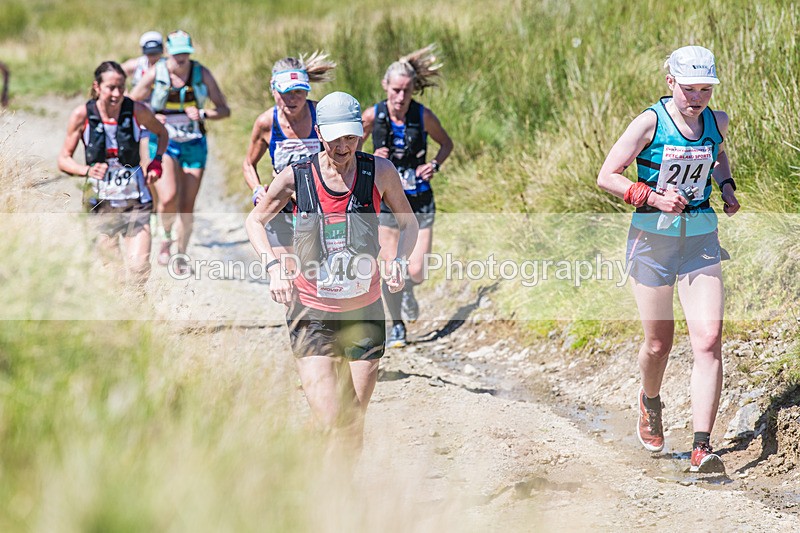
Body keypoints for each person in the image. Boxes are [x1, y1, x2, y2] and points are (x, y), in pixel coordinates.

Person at [245, 91, 419, 456]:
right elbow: (255, 221)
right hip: (312, 312)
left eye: (351, 137)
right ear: (320, 132)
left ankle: (340, 488)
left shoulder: (379, 172)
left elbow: (409, 223)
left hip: (364, 310)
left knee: (353, 420)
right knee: (333, 417)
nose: (343, 147)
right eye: (335, 138)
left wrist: (400, 260)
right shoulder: (296, 177)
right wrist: (274, 269)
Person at [597, 46, 740, 473]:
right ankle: (650, 400)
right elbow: (607, 176)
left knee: (709, 340)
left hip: (700, 239)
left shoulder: (717, 121)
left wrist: (726, 186)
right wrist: (653, 197)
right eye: (689, 89)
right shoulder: (650, 122)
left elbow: (716, 153)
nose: (697, 98)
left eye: (705, 90)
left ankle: (701, 447)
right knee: (659, 344)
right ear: (670, 82)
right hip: (652, 242)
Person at [361, 45, 453, 348]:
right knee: (392, 267)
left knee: (416, 270)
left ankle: (409, 291)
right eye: (396, 90)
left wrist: (434, 165)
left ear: (414, 90)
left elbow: (446, 143)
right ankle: (397, 324)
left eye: (407, 91)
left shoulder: (422, 116)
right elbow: (348, 150)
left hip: (419, 200)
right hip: (387, 202)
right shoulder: (373, 115)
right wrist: (370, 159)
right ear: (385, 86)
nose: (401, 97)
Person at [57, 61, 169, 286]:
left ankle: (138, 300)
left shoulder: (136, 110)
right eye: (111, 88)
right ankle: (125, 308)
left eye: (121, 87)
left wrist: (156, 162)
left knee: (139, 268)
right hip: (100, 203)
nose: (117, 94)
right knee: (114, 275)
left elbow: (162, 133)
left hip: (136, 201)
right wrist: (86, 170)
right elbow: (63, 160)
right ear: (97, 87)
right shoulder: (82, 115)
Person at [130, 30, 230, 275]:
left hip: (194, 144)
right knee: (168, 197)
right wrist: (152, 116)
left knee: (187, 205)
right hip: (164, 143)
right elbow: (131, 103)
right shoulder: (157, 72)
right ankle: (165, 237)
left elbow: (224, 110)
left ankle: (182, 253)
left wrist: (204, 114)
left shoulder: (201, 73)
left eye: (185, 53)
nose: (181, 58)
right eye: (177, 54)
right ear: (168, 52)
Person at [243, 52, 336, 274]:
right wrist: (257, 190)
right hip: (280, 205)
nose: (292, 99)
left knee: (318, 273)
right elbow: (248, 164)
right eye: (286, 93)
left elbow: (345, 152)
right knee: (288, 274)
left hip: (320, 205)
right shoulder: (267, 122)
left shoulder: (321, 115)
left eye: (299, 92)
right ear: (273, 89)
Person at [121, 31, 164, 168]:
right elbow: (116, 73)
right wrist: (125, 95)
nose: (153, 57)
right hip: (141, 114)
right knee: (144, 157)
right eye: (150, 54)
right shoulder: (137, 65)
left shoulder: (166, 66)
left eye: (155, 53)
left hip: (159, 113)